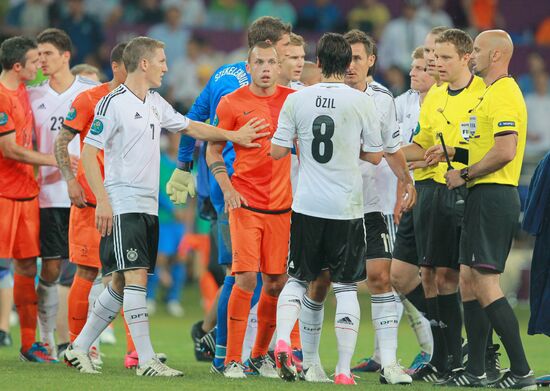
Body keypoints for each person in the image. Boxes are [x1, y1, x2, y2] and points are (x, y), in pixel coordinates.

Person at [63, 35, 268, 376]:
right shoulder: (112, 103)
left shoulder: (155, 102)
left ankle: (79, 346)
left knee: (118, 283)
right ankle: (145, 360)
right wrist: (102, 201)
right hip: (123, 201)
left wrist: (232, 136)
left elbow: (189, 126)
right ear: (143, 63)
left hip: (148, 205)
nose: (166, 66)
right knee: (135, 277)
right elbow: (87, 152)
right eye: (161, 60)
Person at [167, 17, 293, 371]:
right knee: (241, 277)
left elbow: (193, 116)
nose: (286, 53)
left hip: (276, 200)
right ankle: (225, 354)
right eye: (284, 45)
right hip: (236, 193)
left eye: (277, 57)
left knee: (266, 280)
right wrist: (187, 166)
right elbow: (202, 128)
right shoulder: (235, 90)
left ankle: (225, 342)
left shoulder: (290, 95)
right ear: (259, 53)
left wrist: (183, 165)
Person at [271, 32, 383, 385]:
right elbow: (377, 155)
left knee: (298, 279)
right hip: (346, 208)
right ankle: (343, 370)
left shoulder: (297, 99)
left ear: (317, 63)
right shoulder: (362, 101)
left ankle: (281, 342)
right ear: (348, 64)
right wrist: (349, 150)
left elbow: (275, 151)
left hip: (307, 205)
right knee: (347, 287)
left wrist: (301, 144)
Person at [431, 29, 536, 389]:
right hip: (482, 194)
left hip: (493, 195)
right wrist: (458, 155)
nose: (470, 54)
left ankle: (521, 371)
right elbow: (486, 145)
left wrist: (464, 172)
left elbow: (506, 150)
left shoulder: (505, 92)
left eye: (476, 49)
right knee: (468, 281)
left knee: (486, 283)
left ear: (495, 56)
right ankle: (476, 370)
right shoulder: (489, 93)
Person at [54, 42, 147, 368]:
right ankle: (78, 349)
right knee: (87, 270)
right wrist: (70, 179)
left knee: (133, 274)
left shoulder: (145, 102)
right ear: (119, 65)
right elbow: (62, 141)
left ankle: (136, 353)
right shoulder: (90, 99)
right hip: (92, 203)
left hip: (128, 202)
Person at [206, 41, 295, 379]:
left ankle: (258, 357)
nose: (266, 68)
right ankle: (231, 359)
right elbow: (214, 150)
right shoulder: (231, 102)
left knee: (276, 283)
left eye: (272, 62)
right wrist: (227, 188)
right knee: (244, 277)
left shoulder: (291, 101)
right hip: (244, 203)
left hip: (281, 207)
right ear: (249, 65)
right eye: (259, 62)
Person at [402, 28, 486, 381]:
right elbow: (421, 145)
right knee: (431, 275)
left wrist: (452, 152)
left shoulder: (483, 94)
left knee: (461, 276)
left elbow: (491, 147)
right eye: (433, 54)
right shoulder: (435, 95)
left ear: (466, 57)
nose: (435, 60)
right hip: (435, 191)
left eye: (443, 55)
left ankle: (471, 355)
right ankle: (443, 356)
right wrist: (380, 154)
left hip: (469, 192)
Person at [341, 30, 415, 384]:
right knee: (321, 281)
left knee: (380, 278)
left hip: (371, 205)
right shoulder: (325, 95)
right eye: (346, 57)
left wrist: (406, 180)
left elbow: (391, 147)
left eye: (358, 58)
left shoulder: (383, 99)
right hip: (330, 206)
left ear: (371, 60)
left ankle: (388, 362)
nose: (351, 65)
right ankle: (314, 361)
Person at [27, 28, 99, 357]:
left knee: (90, 268)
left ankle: (86, 343)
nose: (41, 60)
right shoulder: (33, 95)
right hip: (46, 196)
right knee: (52, 269)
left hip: (84, 194)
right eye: (38, 55)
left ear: (65, 56)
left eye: (47, 54)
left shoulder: (91, 91)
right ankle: (46, 339)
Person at [0, 36, 58, 363]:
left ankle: (28, 344)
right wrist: (50, 160)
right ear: (18, 66)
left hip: (26, 195)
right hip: (3, 194)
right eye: (35, 61)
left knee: (25, 265)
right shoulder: (2, 97)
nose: (40, 66)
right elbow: (7, 149)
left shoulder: (23, 90)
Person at [388, 46, 436, 373]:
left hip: (433, 192)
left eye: (420, 68)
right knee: (399, 278)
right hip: (405, 191)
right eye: (412, 67)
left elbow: (409, 152)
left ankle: (439, 348)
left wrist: (384, 154)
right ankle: (431, 347)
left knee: (437, 277)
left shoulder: (445, 102)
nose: (413, 73)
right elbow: (394, 151)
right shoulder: (401, 103)